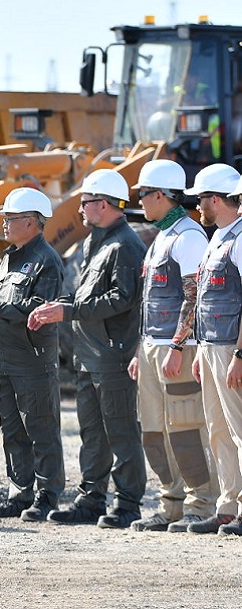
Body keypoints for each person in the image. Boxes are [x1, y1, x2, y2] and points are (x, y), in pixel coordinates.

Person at [27, 169, 147, 529]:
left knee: (121, 431)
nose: (79, 208)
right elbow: (84, 295)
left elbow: (122, 299)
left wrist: (69, 311)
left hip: (113, 355)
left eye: (86, 202)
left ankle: (127, 505)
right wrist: (58, 306)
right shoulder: (95, 242)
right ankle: (91, 499)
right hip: (89, 354)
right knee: (92, 433)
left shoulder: (125, 246)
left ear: (105, 204)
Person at [0, 187, 66, 522]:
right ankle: (19, 494)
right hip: (6, 360)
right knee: (12, 430)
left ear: (31, 222)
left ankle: (47, 496)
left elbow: (37, 309)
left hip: (33, 361)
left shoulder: (47, 261)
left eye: (10, 218)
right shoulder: (8, 259)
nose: (3, 223)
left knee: (41, 429)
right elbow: (5, 306)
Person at [126, 160, 217, 532]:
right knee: (152, 431)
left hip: (178, 349)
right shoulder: (163, 236)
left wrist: (178, 347)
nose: (140, 201)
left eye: (143, 194)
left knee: (185, 430)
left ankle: (200, 503)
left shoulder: (189, 237)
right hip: (154, 348)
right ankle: (171, 505)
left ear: (161, 195)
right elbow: (150, 301)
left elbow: (194, 297)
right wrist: (141, 349)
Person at [185, 163, 242, 535]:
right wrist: (200, 347)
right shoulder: (220, 236)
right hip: (212, 347)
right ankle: (228, 506)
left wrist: (240, 354)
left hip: (230, 348)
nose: (197, 206)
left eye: (201, 198)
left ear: (216, 199)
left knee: (240, 430)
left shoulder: (240, 239)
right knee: (218, 429)